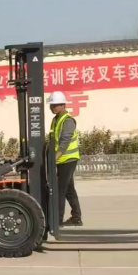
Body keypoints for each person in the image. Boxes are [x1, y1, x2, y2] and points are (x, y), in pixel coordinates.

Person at [48, 91, 82, 226]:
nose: (53, 107)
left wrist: (55, 157)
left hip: (68, 159)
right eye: (52, 105)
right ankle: (76, 217)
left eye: (56, 105)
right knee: (69, 190)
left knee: (60, 190)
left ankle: (58, 220)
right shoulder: (55, 120)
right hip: (62, 159)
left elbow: (65, 141)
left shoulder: (67, 120)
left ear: (63, 105)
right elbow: (52, 140)